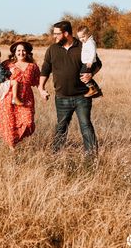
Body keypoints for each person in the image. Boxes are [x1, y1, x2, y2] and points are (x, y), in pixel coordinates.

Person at [38, 20, 102, 155]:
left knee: (85, 125)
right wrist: (41, 88)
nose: (54, 36)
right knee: (61, 127)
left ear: (66, 33)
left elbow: (98, 64)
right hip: (62, 97)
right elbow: (45, 70)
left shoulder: (83, 46)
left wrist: (91, 74)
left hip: (82, 96)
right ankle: (55, 154)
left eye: (57, 34)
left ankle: (91, 156)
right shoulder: (52, 49)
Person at [0, 41, 40, 148]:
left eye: (23, 50)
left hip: (26, 98)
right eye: (18, 50)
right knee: (9, 122)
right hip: (8, 98)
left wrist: (42, 91)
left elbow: (37, 82)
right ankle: (12, 148)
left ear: (27, 52)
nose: (21, 52)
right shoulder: (7, 64)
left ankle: (16, 142)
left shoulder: (33, 66)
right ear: (14, 52)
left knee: (28, 122)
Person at [77, 25, 102, 98]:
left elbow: (93, 52)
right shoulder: (85, 41)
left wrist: (90, 61)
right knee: (85, 76)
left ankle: (92, 89)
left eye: (83, 36)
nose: (81, 39)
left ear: (88, 33)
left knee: (83, 75)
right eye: (79, 37)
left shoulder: (90, 42)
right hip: (86, 62)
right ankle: (96, 89)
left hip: (89, 63)